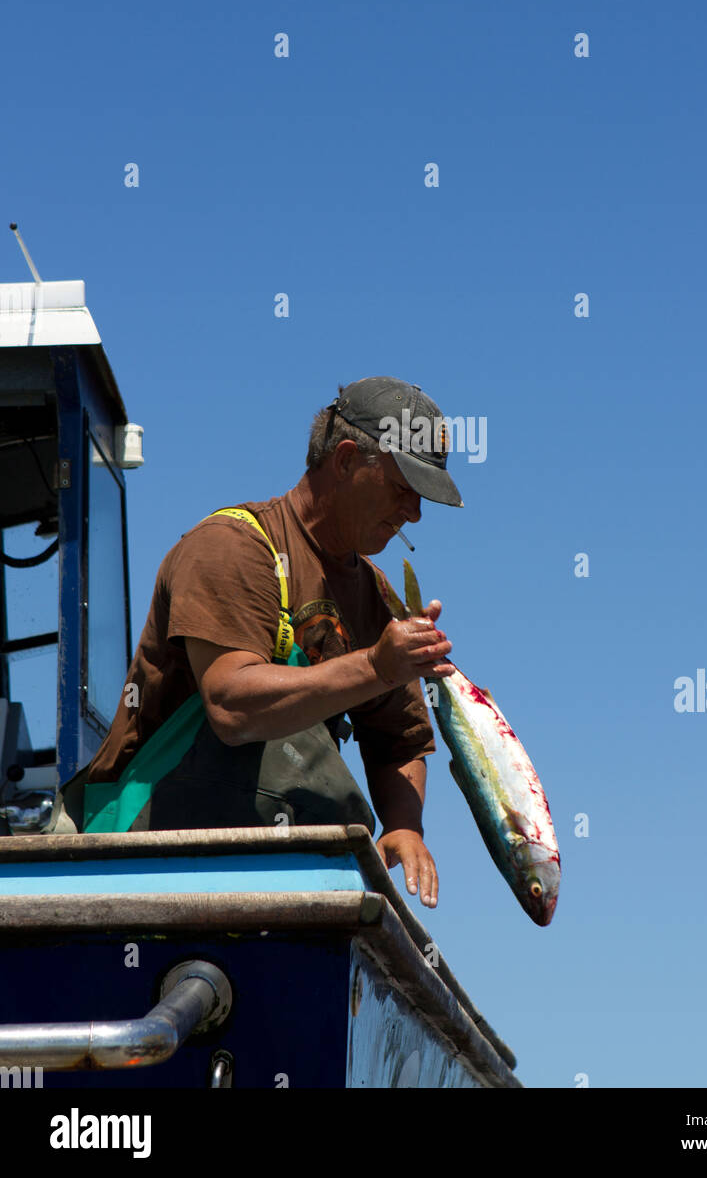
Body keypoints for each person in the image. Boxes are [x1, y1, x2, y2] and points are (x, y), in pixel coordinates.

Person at [49, 377, 462, 911]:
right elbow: (230, 703)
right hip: (144, 872)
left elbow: (400, 739)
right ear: (344, 460)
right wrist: (377, 666)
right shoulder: (231, 547)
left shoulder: (375, 597)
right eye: (403, 487)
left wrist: (406, 825)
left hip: (284, 885)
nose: (415, 512)